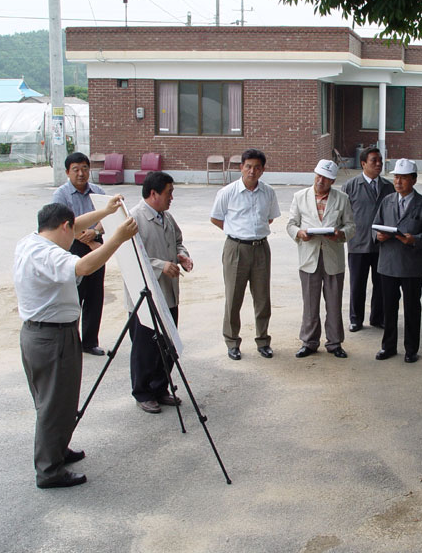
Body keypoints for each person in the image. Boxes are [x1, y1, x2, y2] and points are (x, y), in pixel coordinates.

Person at [14, 198, 137, 488]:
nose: (75, 235)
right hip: (53, 338)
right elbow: (85, 266)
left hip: (39, 334)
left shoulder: (31, 241)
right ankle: (49, 470)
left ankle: (57, 448)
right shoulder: (50, 255)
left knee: (57, 401)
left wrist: (106, 212)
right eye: (72, 229)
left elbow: (75, 223)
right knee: (55, 404)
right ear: (63, 227)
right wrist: (117, 238)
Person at [126, 172, 193, 414]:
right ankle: (143, 392)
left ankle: (160, 387)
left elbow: (178, 241)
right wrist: (161, 265)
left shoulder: (167, 217)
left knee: (168, 344)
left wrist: (182, 255)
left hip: (169, 293)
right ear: (153, 193)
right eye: (169, 193)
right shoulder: (133, 219)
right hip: (145, 297)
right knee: (145, 347)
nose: (171, 197)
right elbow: (131, 256)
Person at [210, 149, 281, 361]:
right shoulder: (228, 192)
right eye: (248, 166)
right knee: (233, 297)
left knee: (262, 297)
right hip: (236, 248)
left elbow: (270, 218)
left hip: (261, 248)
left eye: (257, 167)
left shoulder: (268, 192)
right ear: (241, 167)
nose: (252, 171)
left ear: (263, 170)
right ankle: (232, 342)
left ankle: (263, 341)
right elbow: (216, 218)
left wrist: (254, 232)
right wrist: (236, 231)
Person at [286, 160, 356, 358]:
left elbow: (351, 226)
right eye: (318, 176)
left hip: (333, 257)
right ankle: (309, 342)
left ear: (332, 181)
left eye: (326, 178)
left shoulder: (342, 198)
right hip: (309, 257)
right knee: (310, 303)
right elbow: (291, 224)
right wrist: (299, 233)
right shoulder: (300, 197)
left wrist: (340, 234)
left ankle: (334, 343)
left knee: (334, 303)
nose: (321, 181)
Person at [372, 158, 422, 363]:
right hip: (388, 264)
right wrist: (378, 236)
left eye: (403, 178)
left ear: (414, 180)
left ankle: (411, 349)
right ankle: (388, 346)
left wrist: (414, 239)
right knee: (389, 308)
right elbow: (375, 225)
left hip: (411, 266)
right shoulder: (387, 201)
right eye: (396, 178)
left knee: (411, 308)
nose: (398, 182)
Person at [51, 152, 108, 356]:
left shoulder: (98, 192)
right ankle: (71, 343)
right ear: (67, 172)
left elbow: (106, 218)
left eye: (84, 168)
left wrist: (96, 233)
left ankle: (90, 342)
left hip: (97, 246)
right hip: (72, 248)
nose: (81, 174)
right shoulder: (61, 195)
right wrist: (90, 240)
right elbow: (62, 226)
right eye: (75, 170)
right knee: (74, 296)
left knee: (95, 295)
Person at [342, 146, 395, 332]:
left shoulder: (389, 187)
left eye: (380, 160)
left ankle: (378, 317)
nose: (378, 164)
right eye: (374, 160)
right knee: (357, 284)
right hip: (358, 243)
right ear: (363, 163)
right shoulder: (350, 186)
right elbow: (343, 215)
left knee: (381, 284)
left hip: (382, 244)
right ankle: (355, 319)